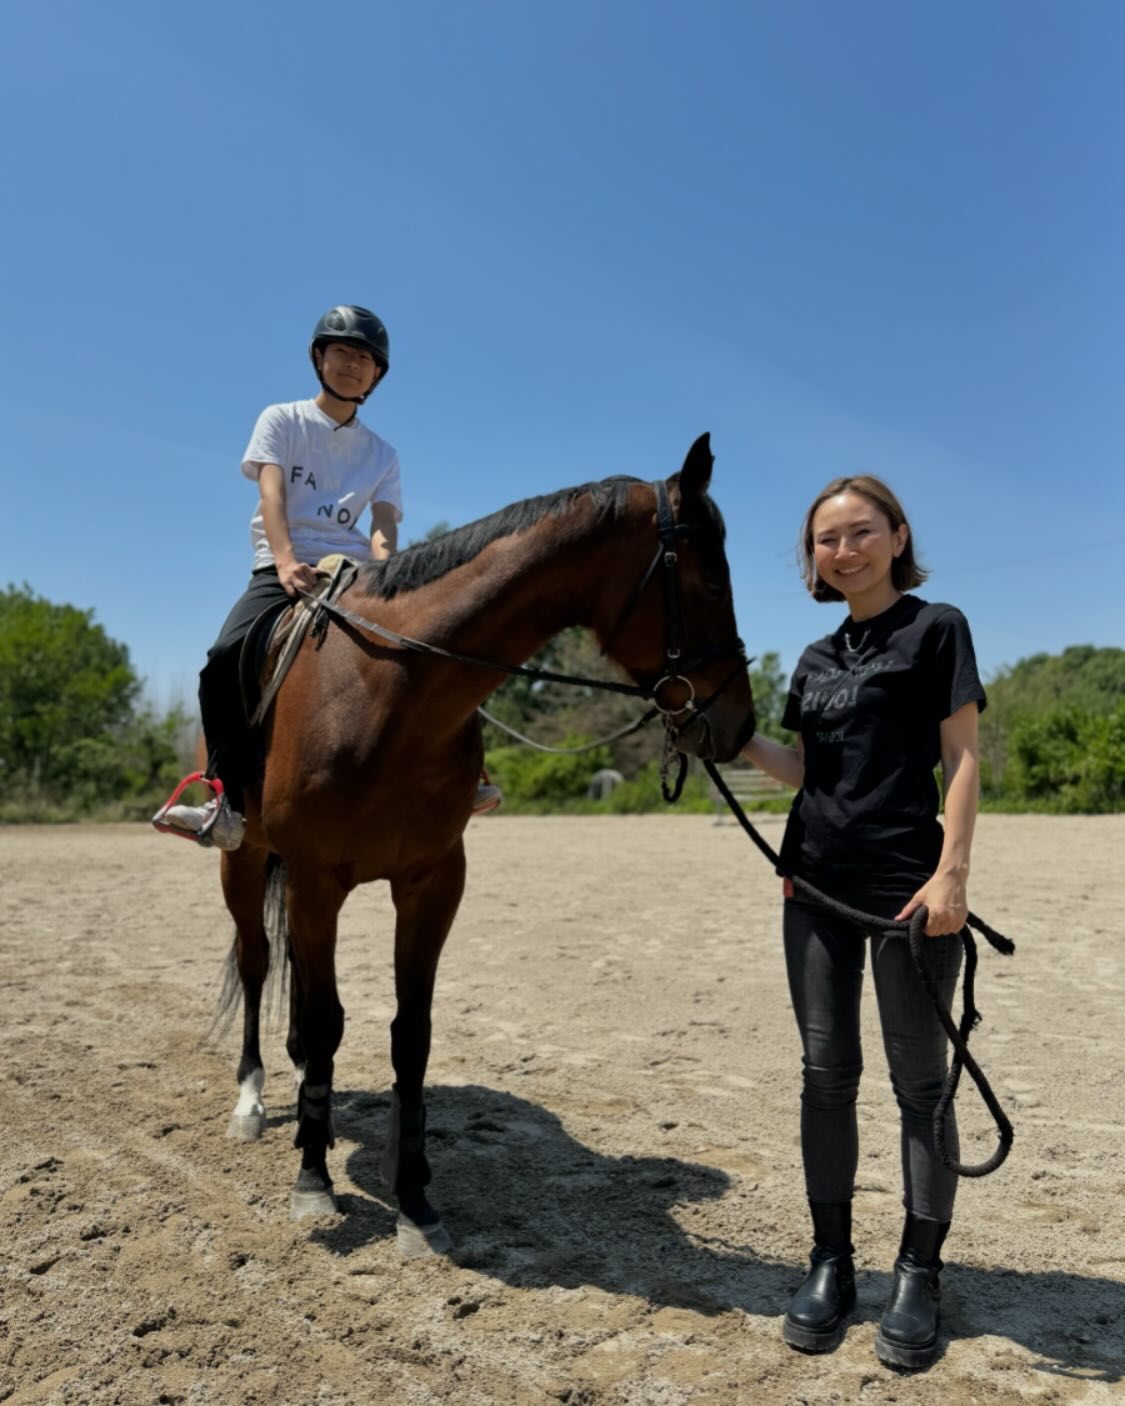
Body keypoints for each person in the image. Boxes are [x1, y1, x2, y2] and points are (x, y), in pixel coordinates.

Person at [741, 475, 985, 1369]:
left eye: (858, 533)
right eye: (825, 540)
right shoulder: (810, 660)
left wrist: (950, 873)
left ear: (895, 536)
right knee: (823, 1073)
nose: (842, 550)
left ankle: (918, 1273)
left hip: (906, 889)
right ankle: (830, 1260)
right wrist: (723, 734)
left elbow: (960, 757)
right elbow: (800, 770)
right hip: (810, 888)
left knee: (919, 1085)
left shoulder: (936, 628)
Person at [154, 305, 500, 850]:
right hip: (283, 566)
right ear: (319, 358)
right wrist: (287, 560)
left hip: (356, 573)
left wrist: (389, 577)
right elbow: (272, 495)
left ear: (377, 375)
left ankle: (469, 777)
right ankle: (222, 796)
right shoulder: (281, 420)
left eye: (365, 359)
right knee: (224, 657)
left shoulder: (383, 453)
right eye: (341, 352)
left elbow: (383, 524)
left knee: (436, 639)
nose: (352, 365)